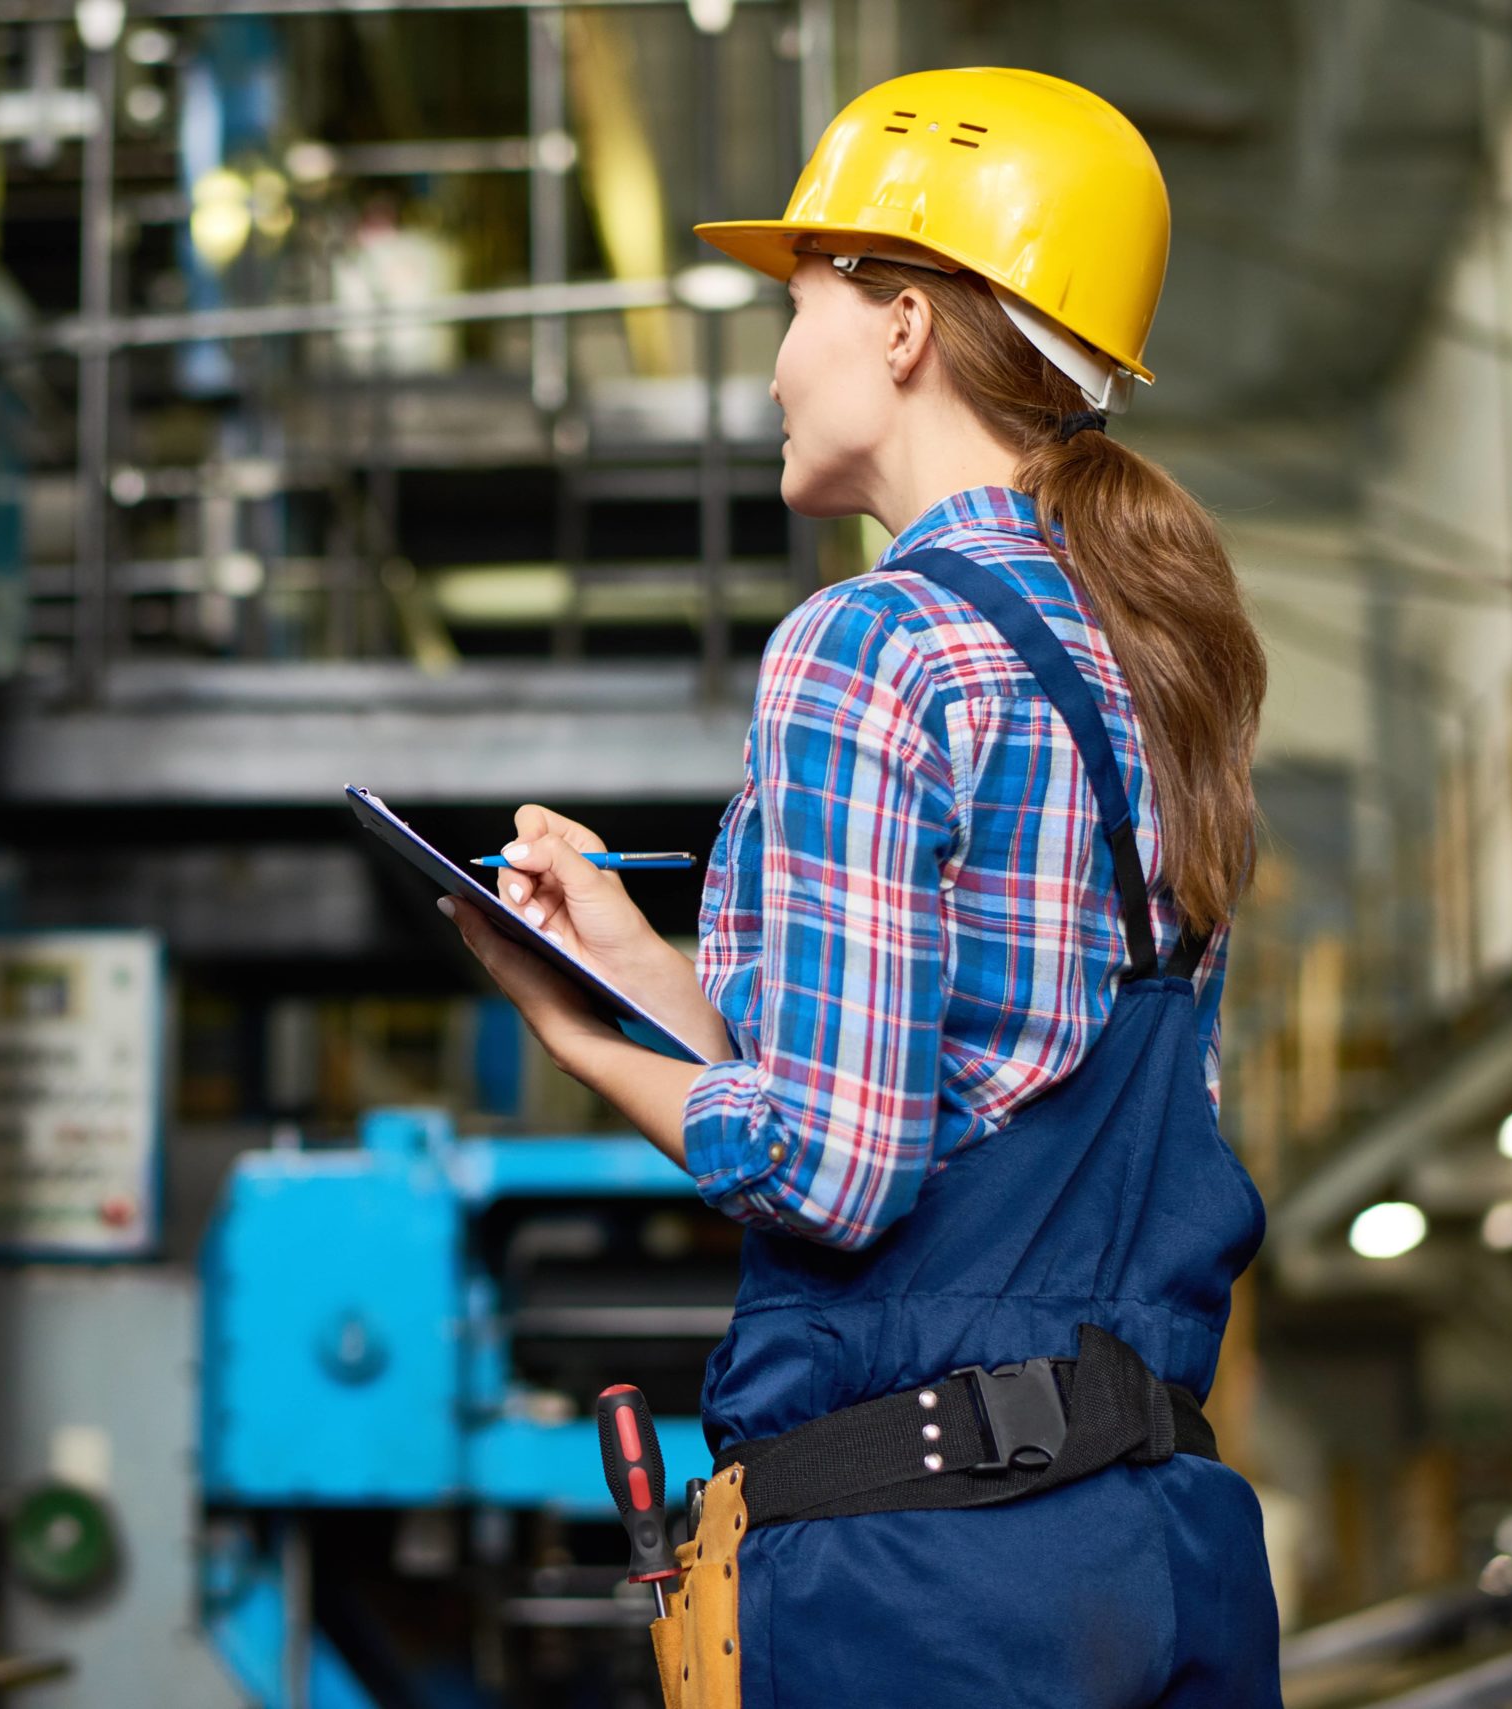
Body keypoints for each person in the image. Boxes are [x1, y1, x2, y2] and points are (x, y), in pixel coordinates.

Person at [443, 67, 1279, 1705]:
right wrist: (639, 964)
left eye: (802, 300)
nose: (771, 365)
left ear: (903, 325)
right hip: (1159, 1545)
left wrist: (583, 1039)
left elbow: (833, 1169)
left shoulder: (868, 644)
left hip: (930, 1581)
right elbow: (970, 1089)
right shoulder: (1156, 656)